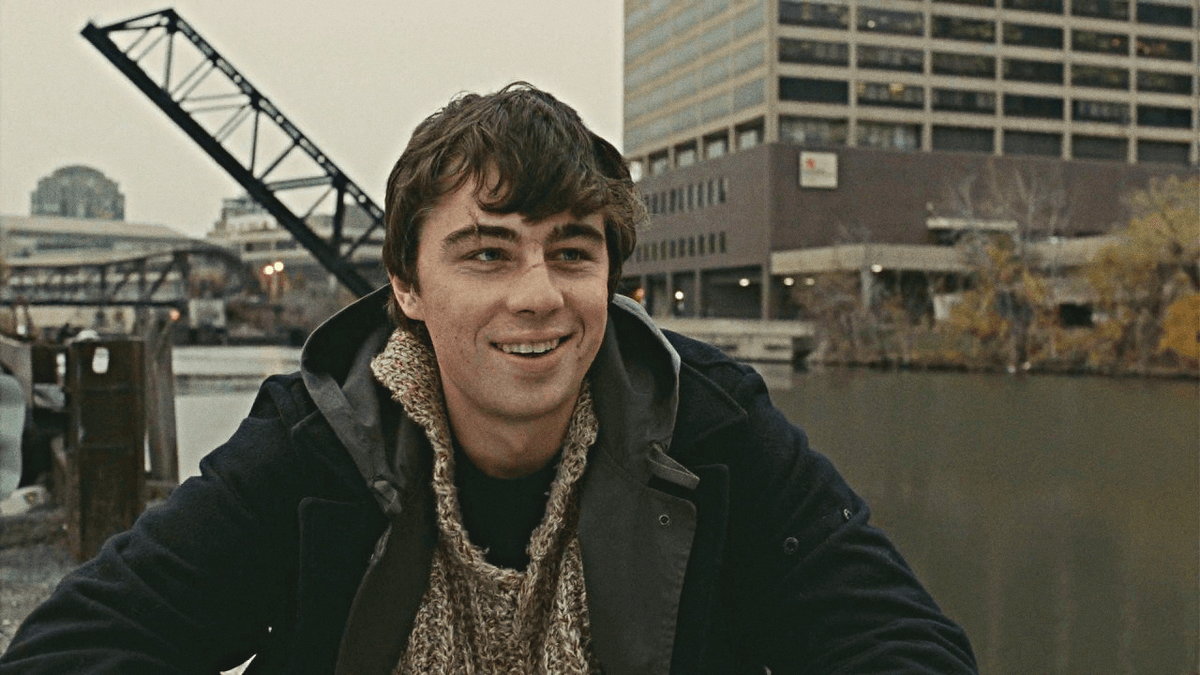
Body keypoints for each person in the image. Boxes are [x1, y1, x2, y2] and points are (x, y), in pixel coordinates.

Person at [0, 83, 977, 674]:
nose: (538, 295)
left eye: (573, 252)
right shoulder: (320, 442)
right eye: (487, 254)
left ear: (610, 277)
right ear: (406, 285)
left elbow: (901, 645)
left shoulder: (710, 427)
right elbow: (74, 648)